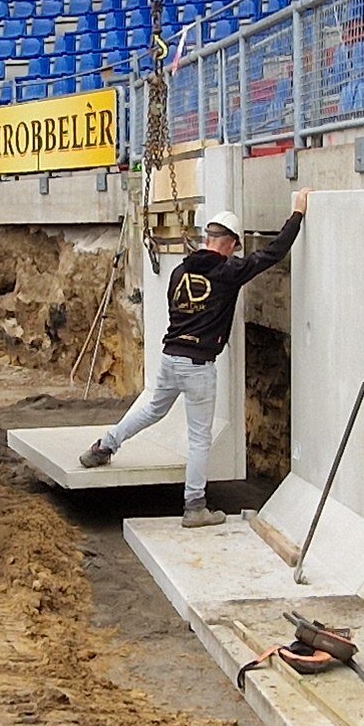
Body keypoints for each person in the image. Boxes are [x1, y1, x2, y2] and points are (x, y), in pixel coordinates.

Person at [84, 189, 309, 526]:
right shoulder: (229, 272)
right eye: (235, 247)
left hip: (171, 357)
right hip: (199, 367)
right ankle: (194, 507)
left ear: (207, 238)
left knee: (151, 409)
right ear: (231, 243)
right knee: (199, 438)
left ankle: (103, 447)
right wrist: (298, 213)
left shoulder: (179, 272)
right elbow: (275, 252)